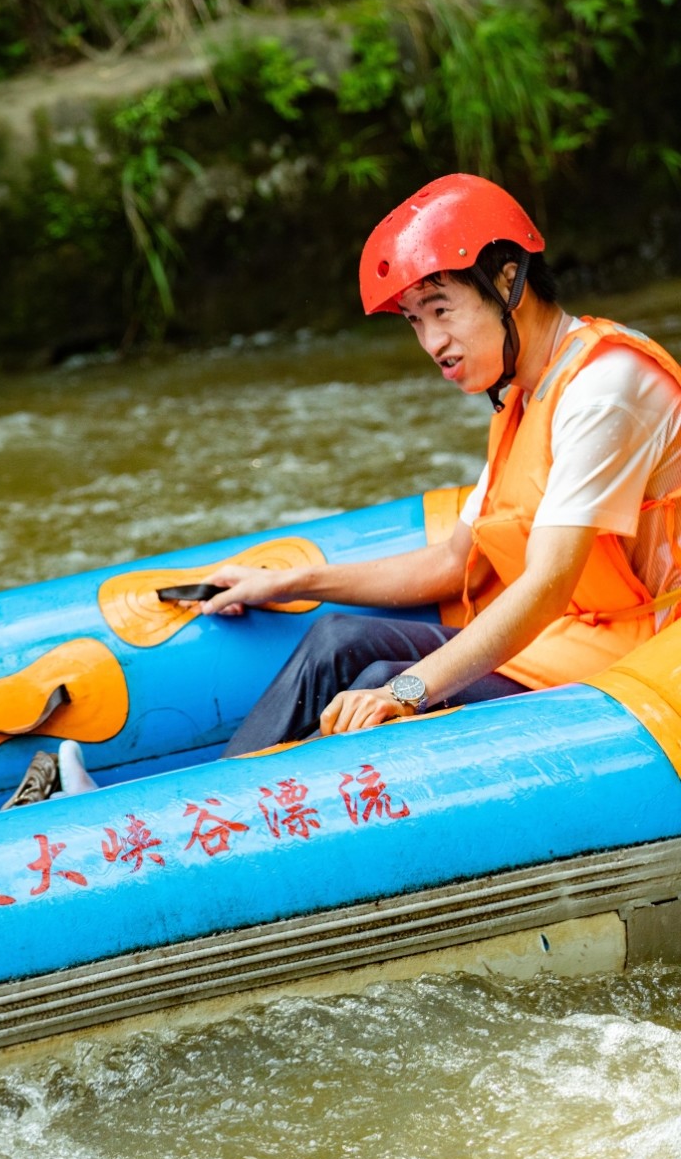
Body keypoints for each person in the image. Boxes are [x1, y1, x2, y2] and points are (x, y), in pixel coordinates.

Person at [210, 173, 681, 753]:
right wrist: (292, 581)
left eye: (440, 308)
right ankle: (192, 806)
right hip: (566, 641)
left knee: (383, 689)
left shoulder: (604, 388)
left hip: (643, 663)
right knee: (337, 639)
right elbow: (453, 561)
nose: (432, 342)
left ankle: (218, 821)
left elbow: (547, 585)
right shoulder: (526, 396)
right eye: (415, 320)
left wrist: (406, 690)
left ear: (509, 281)